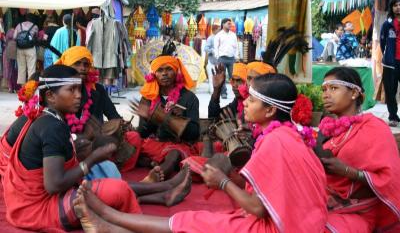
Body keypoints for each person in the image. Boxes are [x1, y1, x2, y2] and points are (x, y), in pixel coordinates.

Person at [72, 73, 328, 233]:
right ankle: (123, 213)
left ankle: (109, 217)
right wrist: (151, 117)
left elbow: (258, 209)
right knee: (196, 215)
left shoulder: (275, 142)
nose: (245, 103)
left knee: (191, 221)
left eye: (251, 99)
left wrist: (223, 181)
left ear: (270, 111)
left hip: (274, 226)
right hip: (290, 221)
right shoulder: (284, 135)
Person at [2, 65, 193, 232]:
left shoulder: (50, 119)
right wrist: (94, 157)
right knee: (115, 189)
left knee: (109, 185)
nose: (79, 95)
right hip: (38, 210)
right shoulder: (52, 126)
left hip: (31, 203)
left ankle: (164, 190)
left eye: (79, 89)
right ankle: (163, 194)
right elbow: (54, 185)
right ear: (50, 96)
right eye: (72, 90)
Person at [316, 67, 400, 232]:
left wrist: (348, 171)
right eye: (324, 89)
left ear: (354, 93)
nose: (326, 94)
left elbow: (389, 179)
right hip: (321, 200)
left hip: (360, 210)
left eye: (333, 88)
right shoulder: (326, 129)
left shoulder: (374, 128)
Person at [128, 41, 200, 182]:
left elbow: (194, 134)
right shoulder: (148, 97)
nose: (164, 74)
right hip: (154, 144)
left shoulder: (189, 97)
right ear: (154, 74)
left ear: (176, 72)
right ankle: (151, 163)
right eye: (160, 70)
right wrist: (148, 118)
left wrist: (175, 120)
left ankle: (158, 176)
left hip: (178, 145)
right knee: (131, 142)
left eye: (168, 69)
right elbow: (143, 133)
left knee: (173, 154)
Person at [55, 46, 121, 126]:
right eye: (77, 63)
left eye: (86, 64)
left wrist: (121, 124)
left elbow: (114, 116)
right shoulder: (57, 91)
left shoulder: (98, 89)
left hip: (97, 136)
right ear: (66, 66)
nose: (83, 68)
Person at [380, 0, 400, 127]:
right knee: (390, 90)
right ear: (391, 8)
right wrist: (388, 56)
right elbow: (382, 42)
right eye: (395, 5)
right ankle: (393, 116)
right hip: (391, 63)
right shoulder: (387, 24)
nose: (398, 7)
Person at [214, 18, 239, 99]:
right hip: (222, 58)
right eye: (228, 23)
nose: (230, 25)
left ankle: (237, 93)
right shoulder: (218, 35)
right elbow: (216, 47)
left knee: (234, 77)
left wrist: (236, 56)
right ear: (223, 24)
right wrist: (218, 57)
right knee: (222, 76)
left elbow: (236, 47)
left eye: (230, 23)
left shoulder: (233, 35)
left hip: (232, 59)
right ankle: (223, 93)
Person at [13, 13, 39, 85]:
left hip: (20, 49)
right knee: (31, 68)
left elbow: (14, 37)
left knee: (21, 68)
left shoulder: (19, 25)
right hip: (30, 49)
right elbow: (36, 36)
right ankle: (30, 87)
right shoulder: (35, 26)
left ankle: (22, 87)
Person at [204, 23, 220, 93]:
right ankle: (212, 91)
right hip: (211, 61)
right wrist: (212, 50)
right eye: (218, 29)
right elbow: (205, 48)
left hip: (219, 61)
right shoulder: (210, 38)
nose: (220, 31)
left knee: (217, 77)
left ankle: (213, 90)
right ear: (215, 30)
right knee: (211, 77)